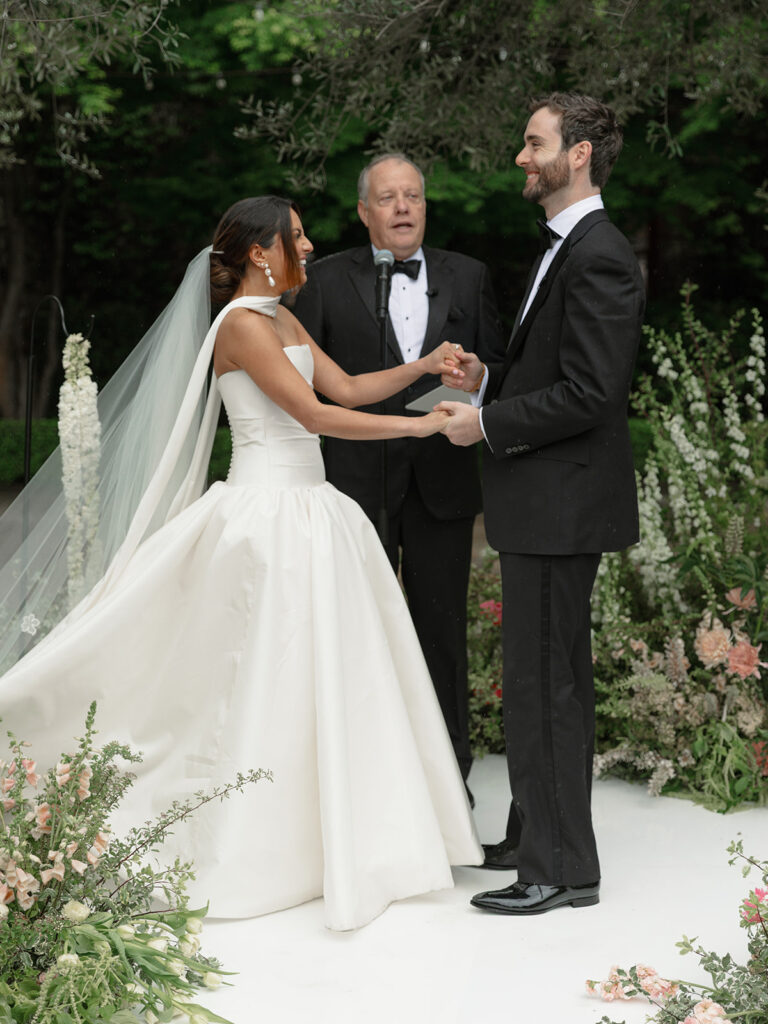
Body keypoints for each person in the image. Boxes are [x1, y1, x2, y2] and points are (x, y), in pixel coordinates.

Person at [0, 196, 483, 931]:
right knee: (261, 676)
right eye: (297, 237)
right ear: (262, 252)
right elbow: (317, 417)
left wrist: (424, 368)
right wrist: (424, 428)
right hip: (268, 517)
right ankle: (259, 842)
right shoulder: (240, 328)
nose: (313, 245)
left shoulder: (283, 318)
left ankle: (322, 836)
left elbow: (346, 387)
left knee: (319, 677)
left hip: (313, 509)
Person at [438, 94, 645, 915]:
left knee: (545, 684)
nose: (522, 157)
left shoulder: (598, 252)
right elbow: (554, 372)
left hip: (560, 510)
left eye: (535, 143)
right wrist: (487, 380)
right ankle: (536, 839)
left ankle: (561, 870)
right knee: (535, 678)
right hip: (545, 506)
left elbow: (593, 392)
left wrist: (484, 424)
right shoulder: (567, 245)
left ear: (581, 153)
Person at [292, 154, 505, 792]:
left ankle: (450, 784)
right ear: (364, 212)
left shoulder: (468, 276)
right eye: (388, 198)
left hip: (442, 485)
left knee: (442, 635)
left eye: (413, 195)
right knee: (356, 633)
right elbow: (310, 387)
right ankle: (366, 784)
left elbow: (496, 366)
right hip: (354, 491)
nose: (404, 207)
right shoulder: (324, 281)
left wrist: (479, 378)